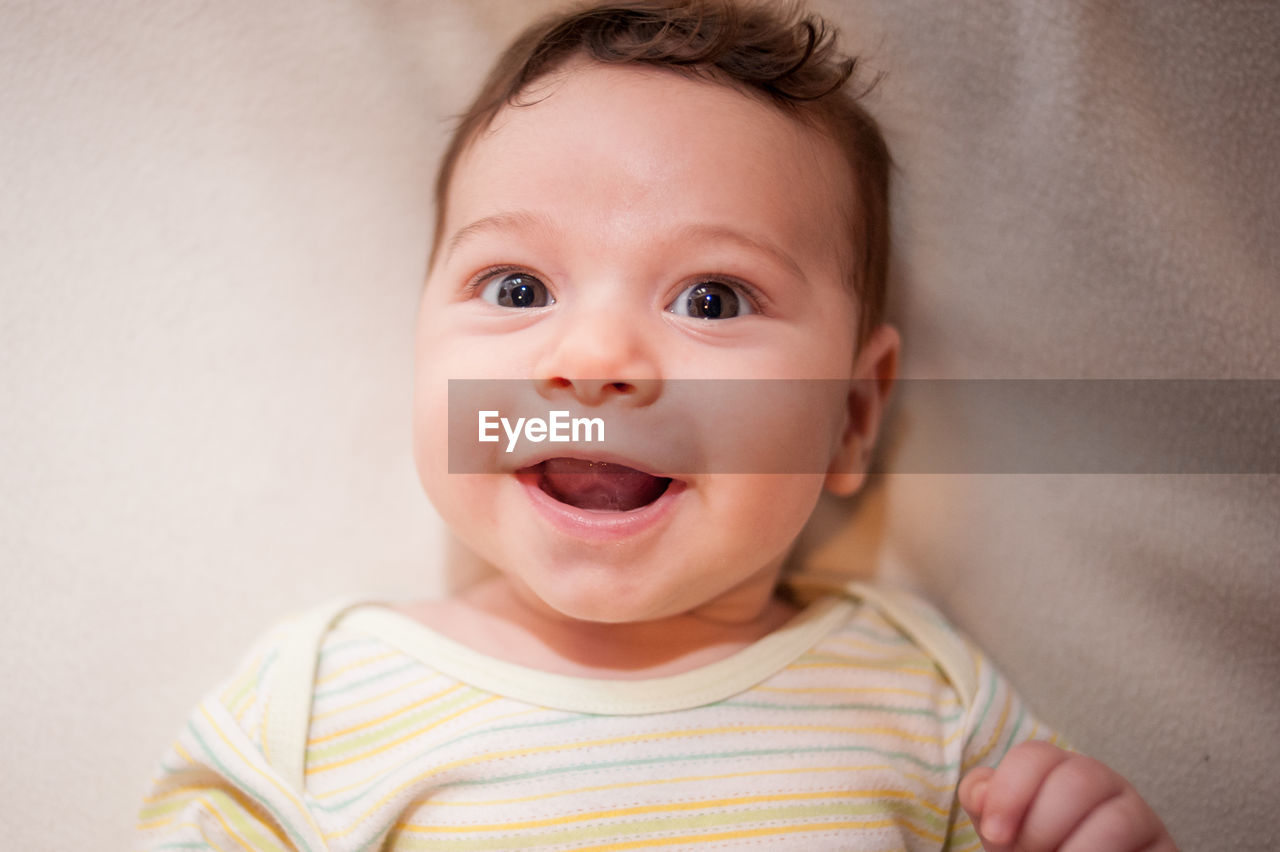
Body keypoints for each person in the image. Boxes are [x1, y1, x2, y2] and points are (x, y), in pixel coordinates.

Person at [137, 1, 1176, 849]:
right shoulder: (323, 701)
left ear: (851, 418)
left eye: (711, 301)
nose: (592, 363)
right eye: (514, 287)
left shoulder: (924, 696)